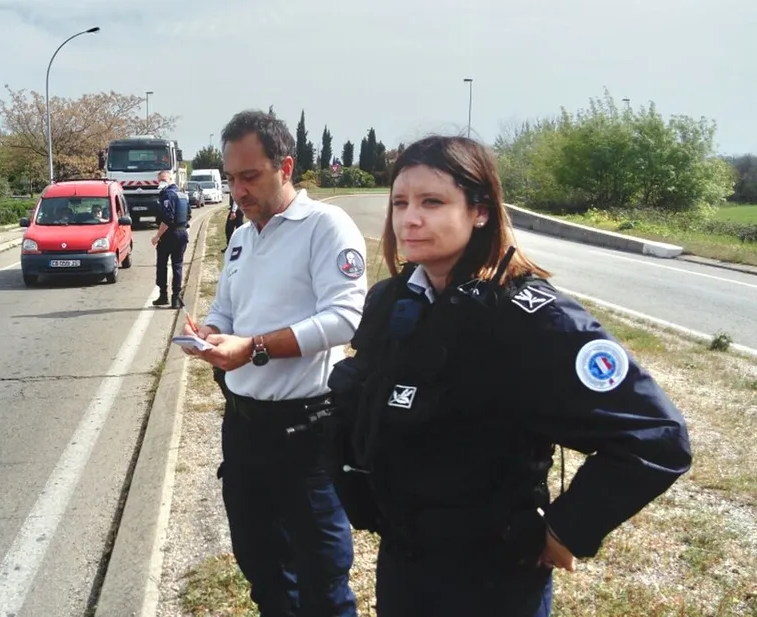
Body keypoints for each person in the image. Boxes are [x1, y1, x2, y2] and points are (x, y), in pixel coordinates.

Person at [326, 135, 693, 616]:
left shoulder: (532, 317)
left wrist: (567, 529)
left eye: (432, 202)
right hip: (404, 566)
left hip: (493, 581)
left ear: (480, 210)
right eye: (400, 202)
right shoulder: (391, 303)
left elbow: (656, 436)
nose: (409, 218)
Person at [183, 109, 368, 617]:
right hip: (243, 427)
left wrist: (255, 347)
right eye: (230, 179)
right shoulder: (243, 236)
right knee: (261, 565)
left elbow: (345, 319)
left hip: (306, 432)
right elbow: (227, 308)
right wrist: (212, 332)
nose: (237, 191)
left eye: (250, 177)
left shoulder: (325, 226)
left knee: (321, 574)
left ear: (284, 166)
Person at [151, 170, 190, 309]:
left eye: (163, 179)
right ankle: (176, 298)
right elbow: (188, 215)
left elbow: (167, 219)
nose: (161, 182)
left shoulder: (167, 195)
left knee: (162, 265)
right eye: (159, 180)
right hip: (182, 233)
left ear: (170, 179)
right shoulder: (182, 194)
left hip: (170, 235)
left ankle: (164, 296)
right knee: (177, 266)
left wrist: (157, 236)